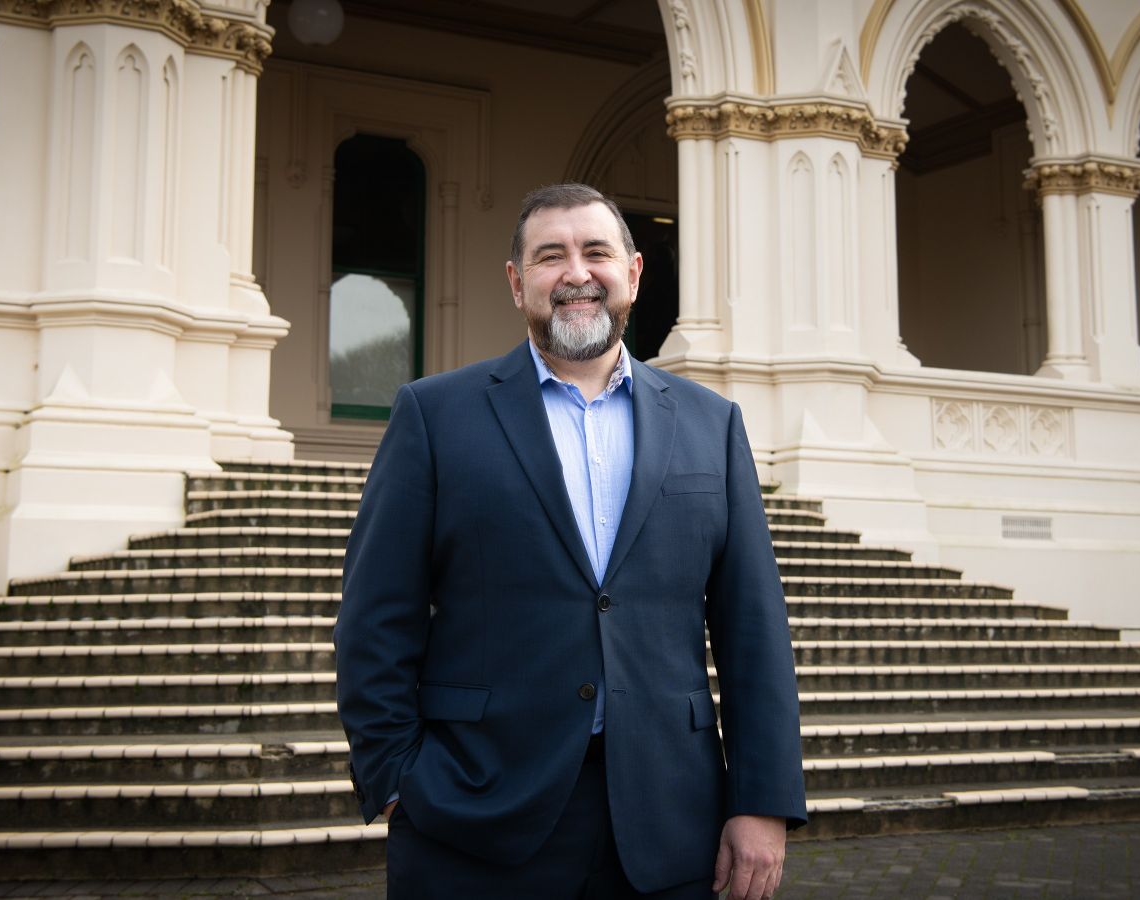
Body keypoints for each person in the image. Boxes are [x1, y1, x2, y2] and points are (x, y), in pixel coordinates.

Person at [335, 183, 806, 899]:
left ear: (634, 273)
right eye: (550, 255)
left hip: (672, 824)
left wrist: (762, 798)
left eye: (596, 252)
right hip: (474, 819)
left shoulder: (713, 425)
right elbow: (375, 621)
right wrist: (399, 780)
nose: (577, 273)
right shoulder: (434, 416)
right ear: (517, 282)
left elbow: (753, 630)